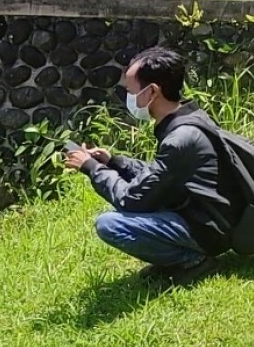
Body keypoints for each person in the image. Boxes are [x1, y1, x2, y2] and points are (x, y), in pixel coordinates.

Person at [64, 47, 240, 284]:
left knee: (110, 224)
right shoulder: (191, 118)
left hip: (209, 229)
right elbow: (160, 175)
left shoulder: (180, 138)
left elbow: (133, 200)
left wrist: (92, 168)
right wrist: (114, 162)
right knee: (129, 212)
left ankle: (193, 259)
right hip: (213, 216)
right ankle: (174, 257)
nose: (127, 96)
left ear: (152, 92)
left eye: (130, 91)